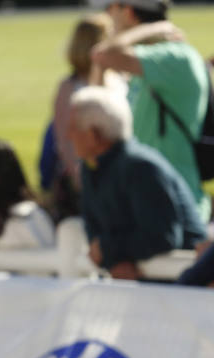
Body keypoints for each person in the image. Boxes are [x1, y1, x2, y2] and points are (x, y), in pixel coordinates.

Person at [90, 0, 211, 222]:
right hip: (147, 201)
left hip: (171, 204)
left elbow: (102, 55)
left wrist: (152, 28)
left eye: (112, 7)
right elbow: (94, 103)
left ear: (128, 13)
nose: (108, 14)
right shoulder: (148, 62)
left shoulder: (173, 57)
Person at [69, 86, 205, 280]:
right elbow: (95, 232)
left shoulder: (141, 168)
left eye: (74, 127)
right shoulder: (91, 168)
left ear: (93, 134)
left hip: (179, 285)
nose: (68, 135)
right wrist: (113, 260)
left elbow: (162, 237)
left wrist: (109, 250)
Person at [47, 13, 120, 222]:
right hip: (86, 182)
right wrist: (83, 181)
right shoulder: (69, 87)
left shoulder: (119, 79)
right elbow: (65, 140)